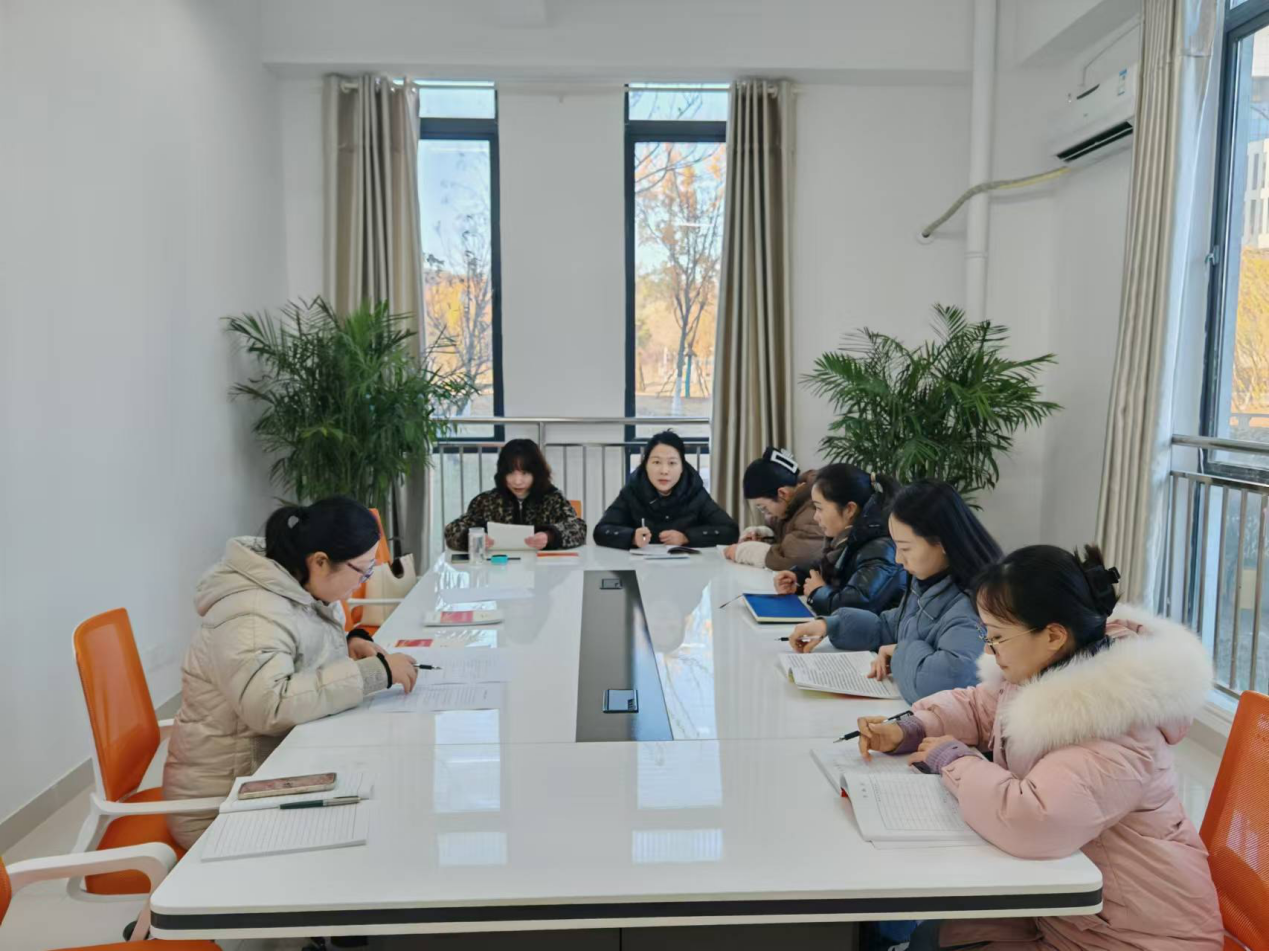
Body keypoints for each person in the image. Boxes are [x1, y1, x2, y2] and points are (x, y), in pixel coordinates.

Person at [858, 545, 1222, 951]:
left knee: (928, 937)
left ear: (1052, 635)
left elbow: (1034, 820)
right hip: (1075, 919)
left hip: (1136, 938)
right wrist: (912, 728)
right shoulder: (1054, 668)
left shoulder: (1117, 724)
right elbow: (982, 708)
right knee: (931, 934)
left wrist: (953, 761)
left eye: (997, 637)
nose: (988, 650)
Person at [162, 497, 418, 847]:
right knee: (376, 830)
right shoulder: (252, 612)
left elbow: (295, 651)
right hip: (224, 801)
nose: (364, 582)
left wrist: (349, 643)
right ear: (320, 561)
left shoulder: (299, 585)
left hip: (274, 769)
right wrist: (372, 674)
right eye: (363, 570)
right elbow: (271, 705)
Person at [787, 480, 999, 704]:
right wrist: (831, 625)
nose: (898, 559)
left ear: (943, 543)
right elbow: (890, 626)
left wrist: (900, 652)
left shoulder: (974, 605)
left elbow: (947, 680)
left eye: (905, 548)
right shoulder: (927, 582)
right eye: (896, 546)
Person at [770, 463, 905, 616]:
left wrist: (817, 592)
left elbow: (856, 607)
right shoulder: (847, 538)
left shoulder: (880, 548)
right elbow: (823, 567)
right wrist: (797, 578)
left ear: (849, 509)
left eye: (820, 508)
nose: (815, 517)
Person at [593, 430, 738, 549]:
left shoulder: (694, 490)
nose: (664, 471)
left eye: (672, 463)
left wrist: (686, 537)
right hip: (641, 569)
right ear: (645, 464)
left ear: (682, 467)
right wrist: (631, 537)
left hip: (686, 569)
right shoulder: (633, 490)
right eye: (656, 462)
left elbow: (730, 531)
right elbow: (601, 531)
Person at [443, 438, 587, 551]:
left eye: (525, 473)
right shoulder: (486, 501)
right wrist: (472, 538)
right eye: (511, 473)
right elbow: (452, 531)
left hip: (542, 571)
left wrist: (550, 536)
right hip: (496, 571)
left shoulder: (553, 499)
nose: (517, 481)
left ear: (537, 473)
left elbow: (579, 529)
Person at [723, 447, 823, 570]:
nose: (766, 514)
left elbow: (796, 560)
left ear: (782, 494)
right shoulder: (791, 505)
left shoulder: (814, 509)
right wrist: (767, 537)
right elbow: (792, 537)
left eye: (763, 508)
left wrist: (747, 552)